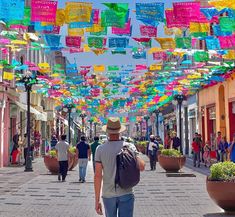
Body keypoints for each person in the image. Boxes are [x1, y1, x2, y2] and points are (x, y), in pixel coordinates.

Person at [94, 117, 145, 217]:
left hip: (108, 194)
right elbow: (142, 166)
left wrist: (97, 200)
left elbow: (98, 176)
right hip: (126, 191)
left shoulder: (100, 149)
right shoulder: (129, 146)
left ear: (107, 132)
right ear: (120, 132)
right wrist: (134, 154)